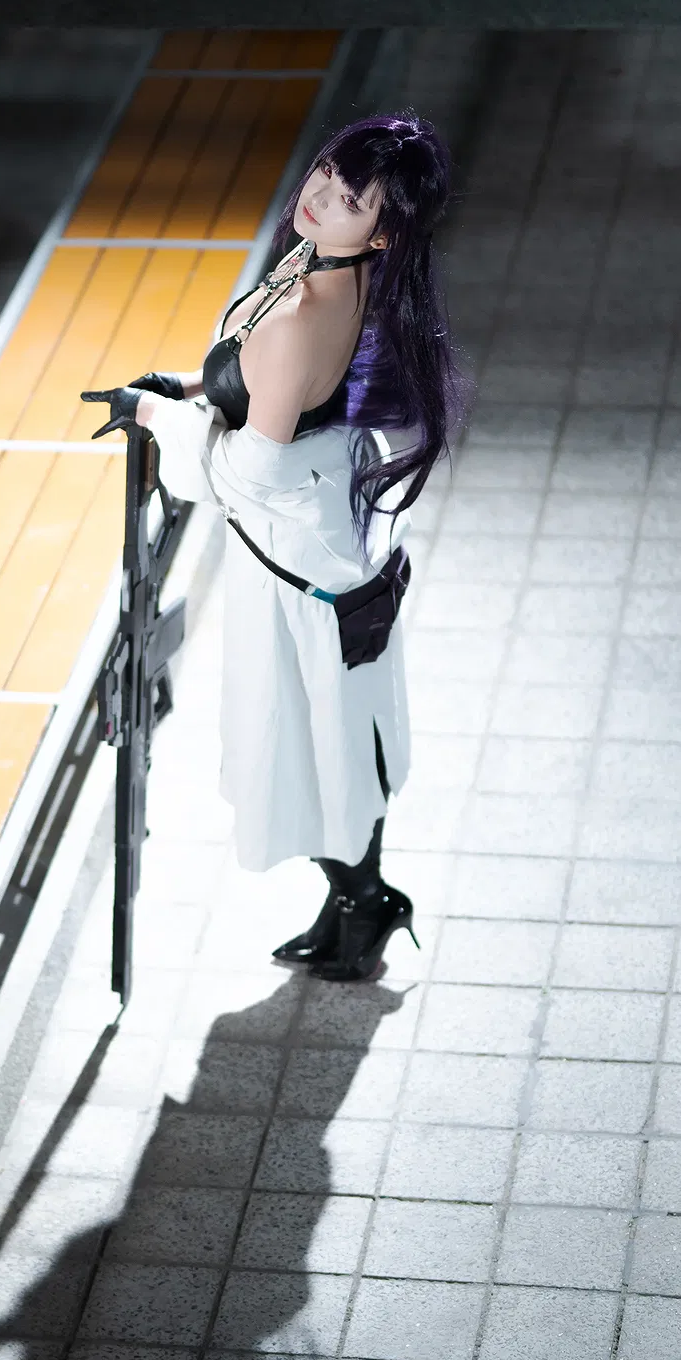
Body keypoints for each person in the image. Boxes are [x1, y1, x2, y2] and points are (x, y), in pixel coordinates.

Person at [83, 112, 463, 981]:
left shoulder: (303, 313)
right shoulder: (332, 267)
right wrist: (188, 385)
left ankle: (366, 903)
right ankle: (357, 901)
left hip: (297, 570)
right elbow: (259, 379)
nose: (319, 196)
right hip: (318, 540)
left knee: (317, 744)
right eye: (326, 171)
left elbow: (246, 470)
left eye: (349, 198)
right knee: (331, 736)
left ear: (384, 232)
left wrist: (155, 414)